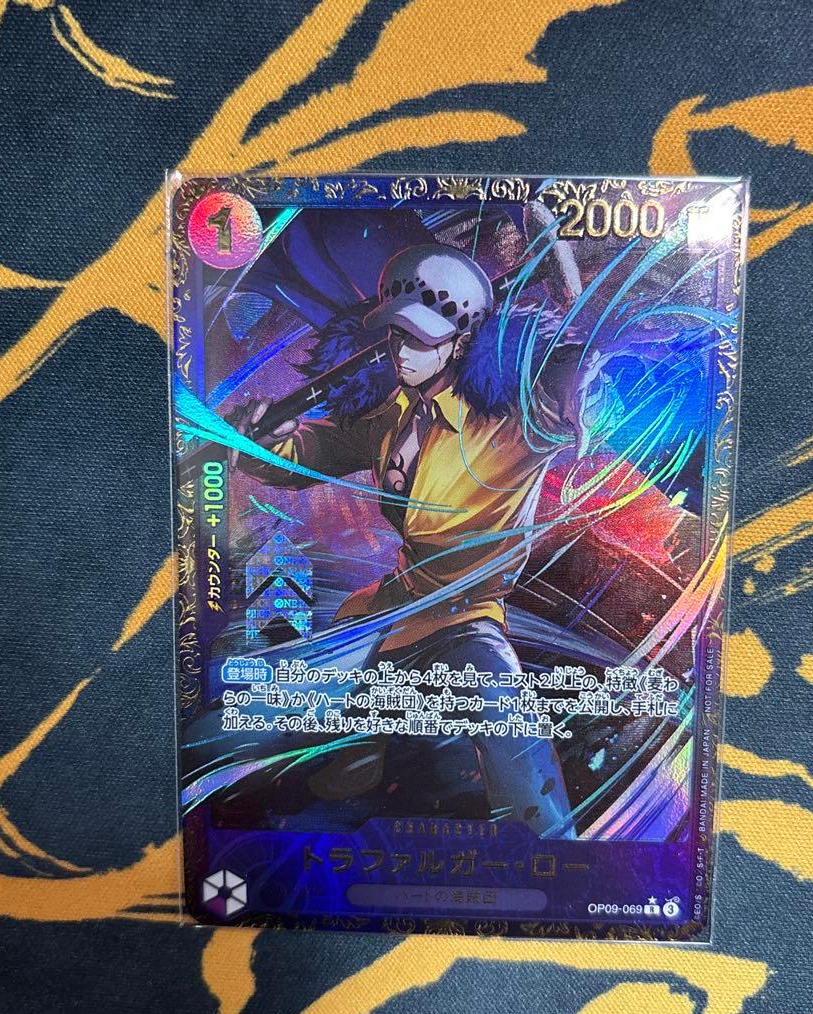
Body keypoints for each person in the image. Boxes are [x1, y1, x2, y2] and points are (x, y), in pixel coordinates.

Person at [233, 243, 606, 839]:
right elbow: (316, 452)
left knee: (512, 732)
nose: (403, 353)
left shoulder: (512, 422)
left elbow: (569, 384)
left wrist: (567, 315)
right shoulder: (396, 413)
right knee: (322, 752)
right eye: (397, 336)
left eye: (422, 339)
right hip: (384, 612)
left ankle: (558, 856)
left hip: (464, 617)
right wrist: (267, 439)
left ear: (461, 343)